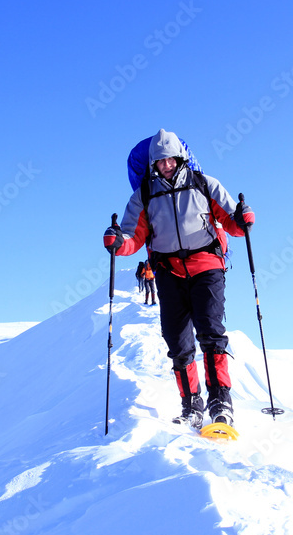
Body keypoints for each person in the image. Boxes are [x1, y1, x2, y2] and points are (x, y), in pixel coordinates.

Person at [103, 129, 254, 429]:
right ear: (153, 165)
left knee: (211, 334)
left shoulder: (204, 184)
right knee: (178, 341)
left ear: (180, 158)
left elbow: (230, 220)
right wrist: (119, 244)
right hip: (169, 272)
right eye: (160, 161)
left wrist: (241, 218)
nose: (166, 165)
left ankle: (220, 400)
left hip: (207, 266)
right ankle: (191, 404)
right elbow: (134, 237)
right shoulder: (144, 195)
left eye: (170, 159)